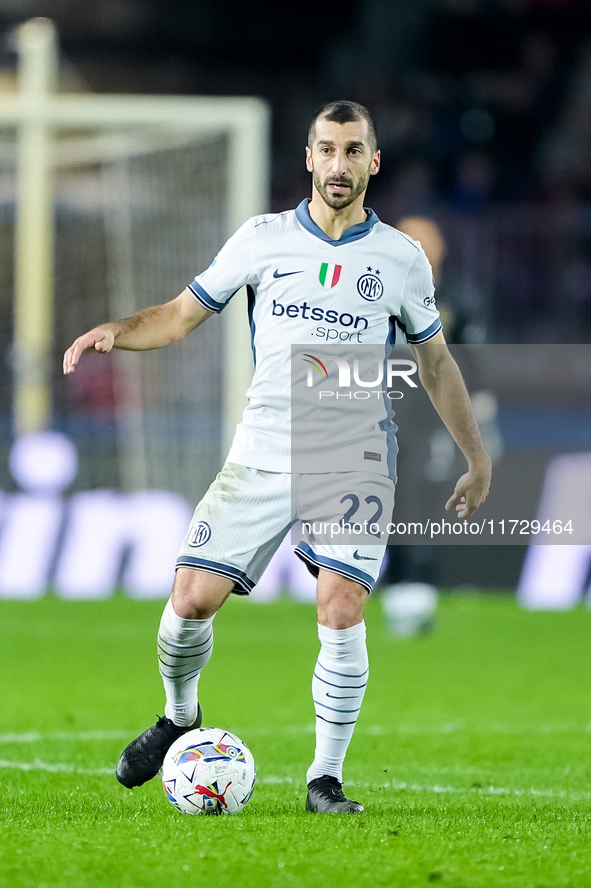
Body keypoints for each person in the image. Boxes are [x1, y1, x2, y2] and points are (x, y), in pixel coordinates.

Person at [63, 101, 492, 814]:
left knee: (339, 603)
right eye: (326, 149)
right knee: (189, 601)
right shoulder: (260, 240)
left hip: (352, 455)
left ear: (372, 163)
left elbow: (436, 362)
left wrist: (474, 458)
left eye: (354, 151)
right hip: (261, 451)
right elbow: (179, 315)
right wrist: (117, 329)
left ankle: (323, 780)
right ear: (307, 156)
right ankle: (179, 716)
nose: (338, 164)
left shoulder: (398, 258)